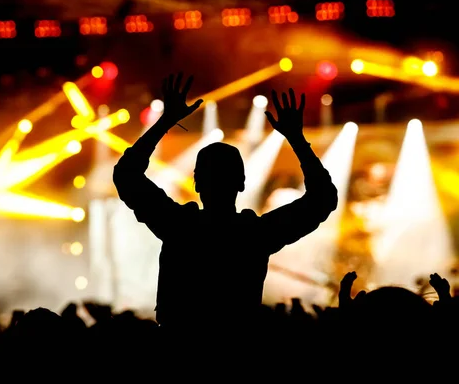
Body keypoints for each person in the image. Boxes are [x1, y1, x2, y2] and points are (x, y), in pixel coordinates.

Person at [113, 73, 338, 330]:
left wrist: (165, 121)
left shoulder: (178, 226)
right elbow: (323, 199)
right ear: (241, 182)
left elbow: (126, 175)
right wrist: (296, 139)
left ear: (196, 182)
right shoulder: (255, 234)